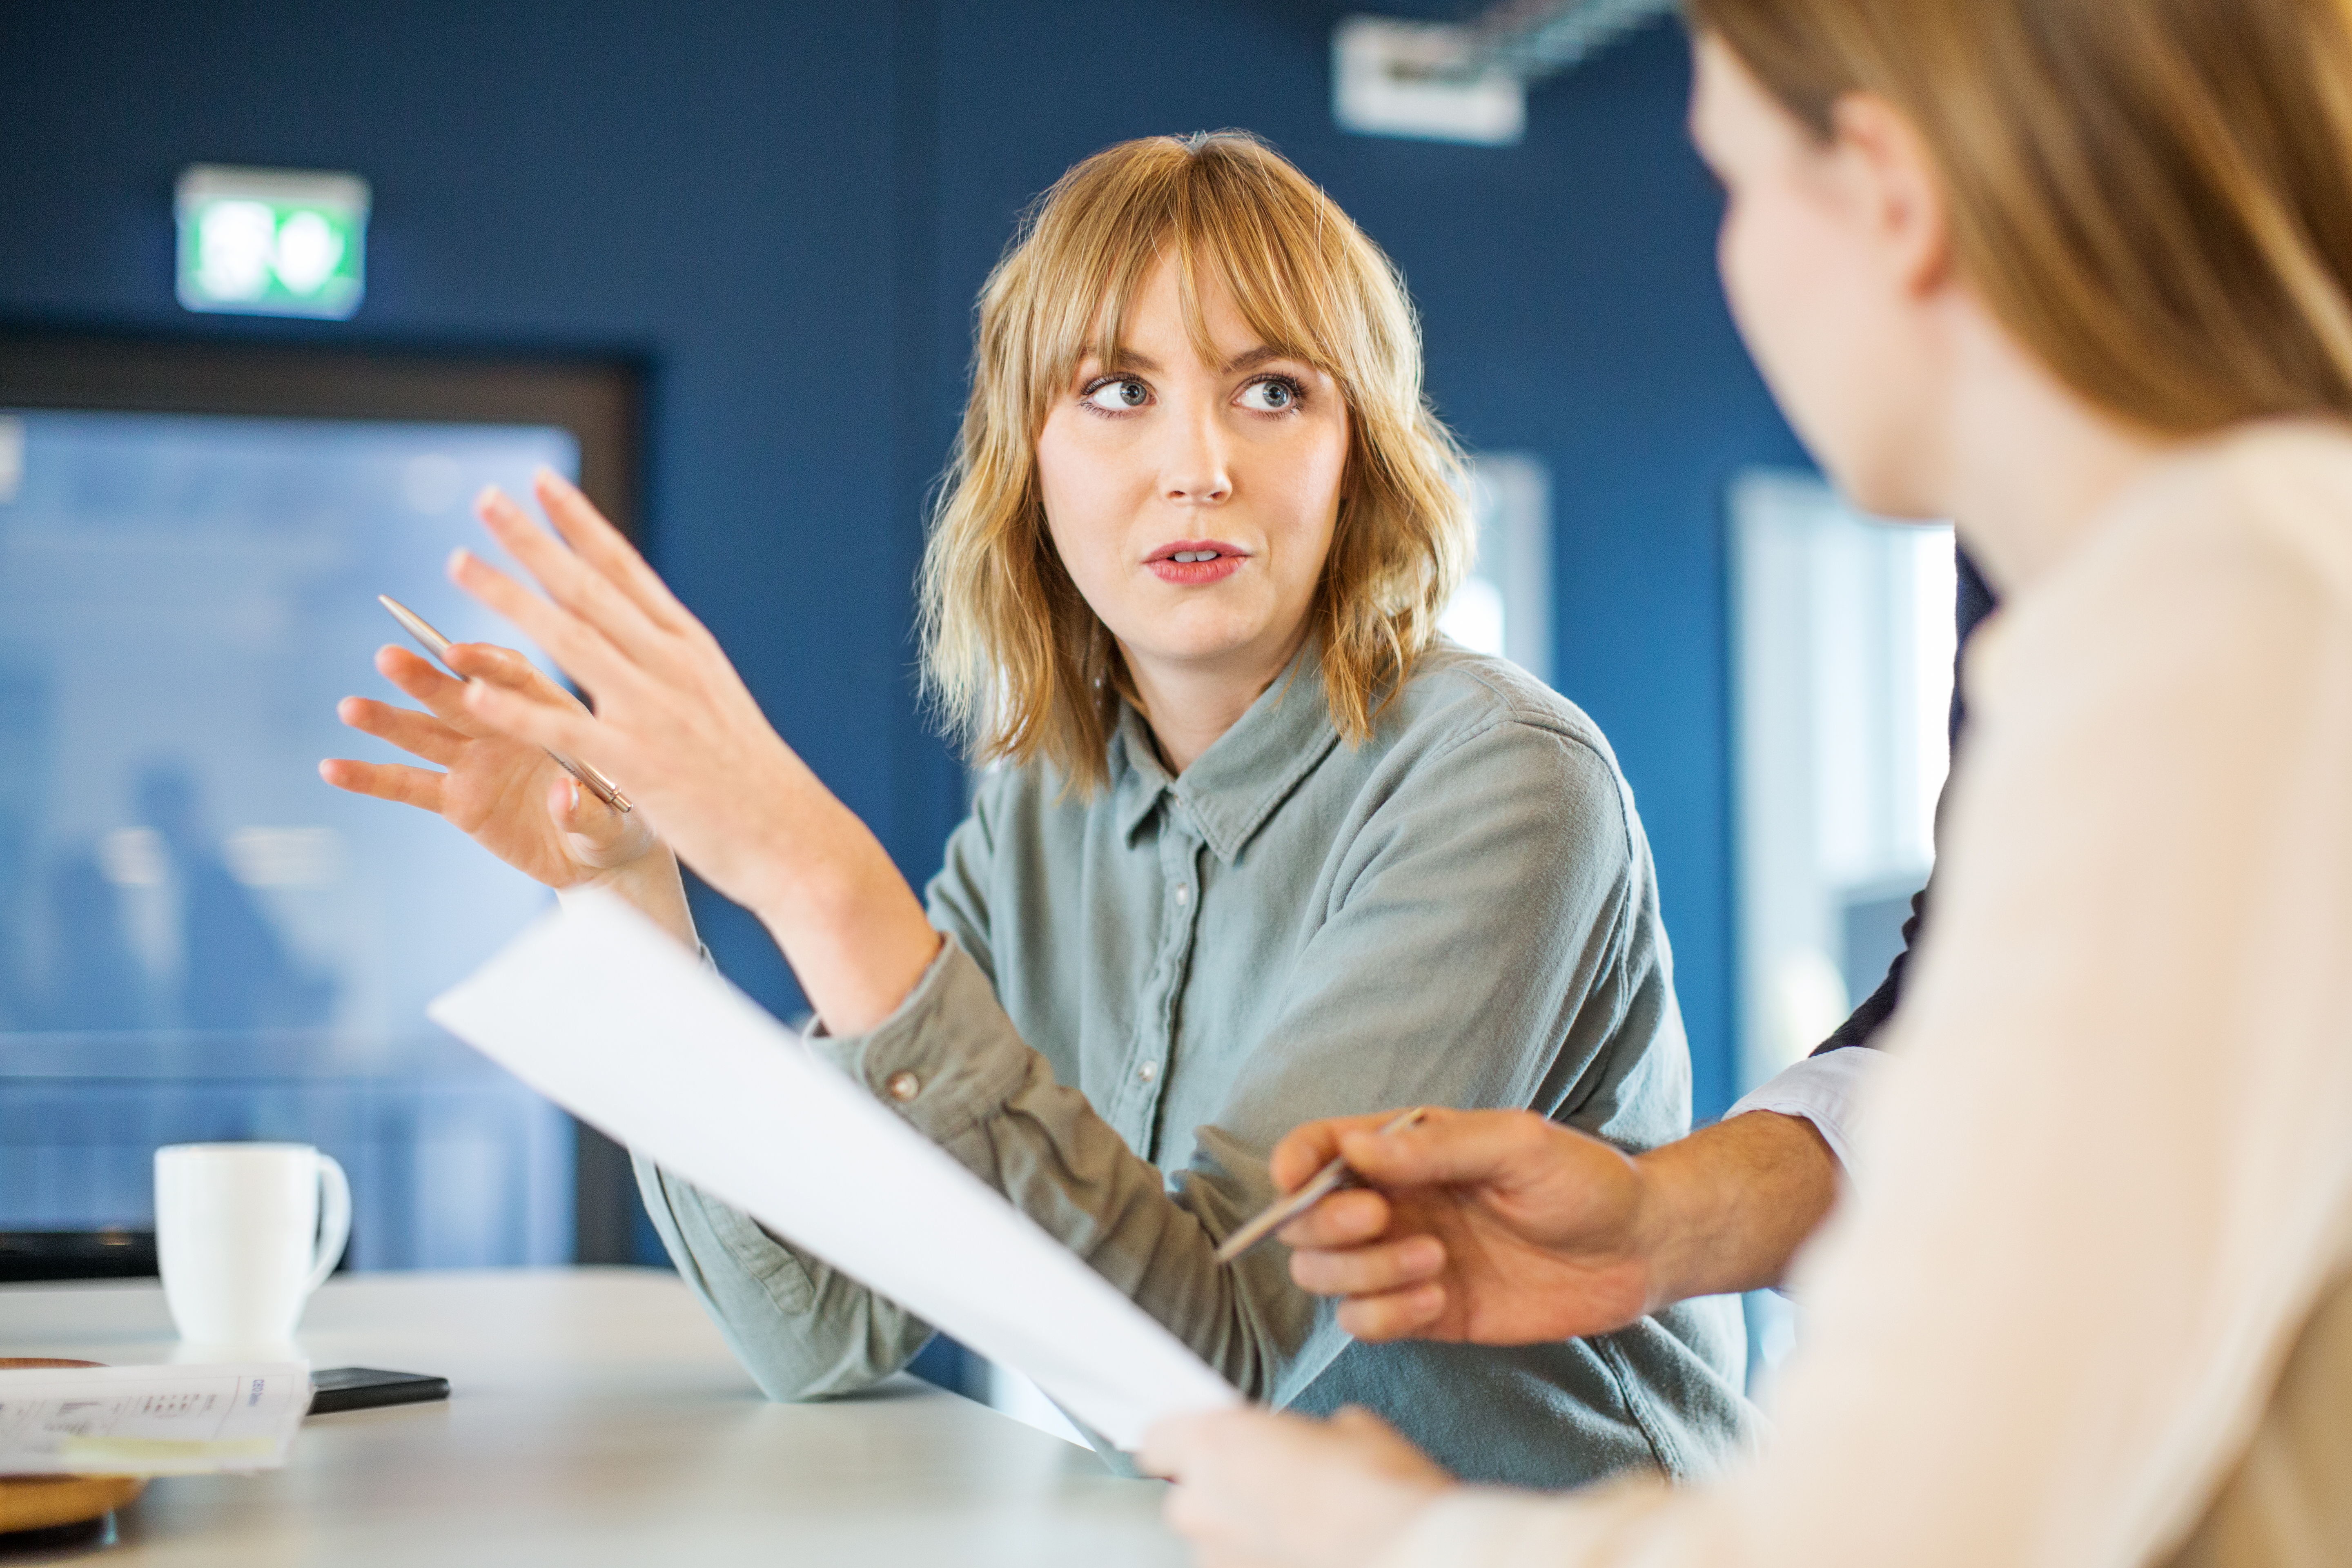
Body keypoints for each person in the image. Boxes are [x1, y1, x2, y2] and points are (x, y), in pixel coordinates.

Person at [321, 132, 1753, 1487]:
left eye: (1273, 390)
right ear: (1030, 459)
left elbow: (1225, 1353)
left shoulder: (1503, 779)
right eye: (1118, 391)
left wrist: (811, 873)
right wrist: (627, 894)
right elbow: (817, 1327)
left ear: (1356, 452)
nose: (1199, 464)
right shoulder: (1043, 815)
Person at [1143, 0, 2352, 1562]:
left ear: (1889, 192)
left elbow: (1905, 1534)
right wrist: (1665, 1218)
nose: (1735, 266)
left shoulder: (2208, 632)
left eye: (1736, 184)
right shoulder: (2234, 587)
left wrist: (1394, 1537)